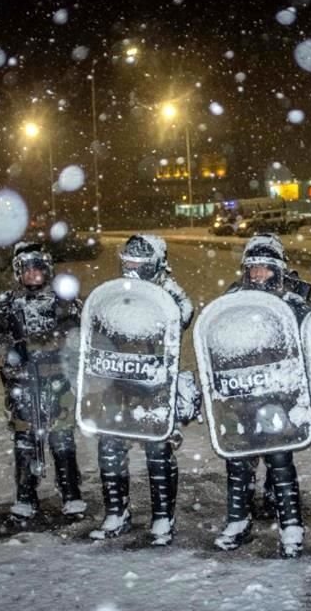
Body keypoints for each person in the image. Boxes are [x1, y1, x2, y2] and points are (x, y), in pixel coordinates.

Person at [88, 234, 199, 546]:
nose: (133, 269)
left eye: (140, 263)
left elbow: (184, 315)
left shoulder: (169, 292)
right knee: (110, 446)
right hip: (118, 383)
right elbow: (97, 326)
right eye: (129, 262)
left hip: (154, 384)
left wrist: (159, 292)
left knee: (158, 450)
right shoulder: (116, 293)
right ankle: (116, 513)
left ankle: (163, 518)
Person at [215, 233, 311, 558]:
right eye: (253, 267)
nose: (258, 274)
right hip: (242, 393)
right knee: (238, 461)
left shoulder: (294, 301)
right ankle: (238, 521)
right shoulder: (234, 297)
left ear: (278, 269)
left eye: (265, 268)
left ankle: (291, 527)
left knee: (280, 461)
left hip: (277, 396)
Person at [0, 241, 86, 519]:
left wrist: (48, 343)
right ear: (18, 274)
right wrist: (10, 347)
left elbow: (78, 329)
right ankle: (26, 495)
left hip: (56, 381)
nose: (32, 276)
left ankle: (71, 492)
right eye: (26, 271)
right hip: (23, 384)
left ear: (46, 271)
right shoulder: (7, 303)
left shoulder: (62, 300)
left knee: (61, 437)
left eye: (37, 270)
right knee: (25, 439)